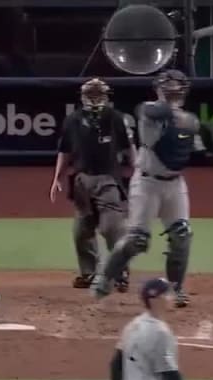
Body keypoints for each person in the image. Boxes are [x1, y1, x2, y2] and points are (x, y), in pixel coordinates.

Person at [95, 69, 213, 308]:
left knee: (182, 236)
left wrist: (204, 136)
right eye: (169, 87)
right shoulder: (148, 110)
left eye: (177, 87)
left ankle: (176, 288)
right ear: (159, 89)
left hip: (175, 185)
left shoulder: (189, 120)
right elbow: (157, 112)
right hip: (146, 184)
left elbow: (185, 152)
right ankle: (105, 279)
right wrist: (186, 120)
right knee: (137, 241)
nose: (174, 91)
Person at [51, 78, 135, 291]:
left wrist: (138, 172)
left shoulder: (116, 118)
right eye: (92, 94)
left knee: (111, 228)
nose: (95, 98)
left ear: (106, 97)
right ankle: (88, 273)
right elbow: (65, 151)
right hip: (81, 181)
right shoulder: (72, 120)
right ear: (83, 97)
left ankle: (120, 271)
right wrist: (56, 178)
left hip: (108, 179)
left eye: (99, 95)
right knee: (81, 231)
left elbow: (128, 148)